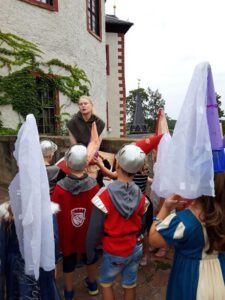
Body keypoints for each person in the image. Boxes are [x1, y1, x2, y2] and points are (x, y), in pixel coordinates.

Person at [149, 172, 225, 300]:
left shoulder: (183, 222)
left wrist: (165, 208)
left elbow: (153, 238)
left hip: (191, 279)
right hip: (220, 274)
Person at [86, 144, 148, 300]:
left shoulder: (104, 196)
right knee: (130, 284)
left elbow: (94, 230)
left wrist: (90, 250)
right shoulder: (141, 195)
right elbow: (143, 222)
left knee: (106, 283)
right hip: (133, 247)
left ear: (118, 164)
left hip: (113, 249)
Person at [52, 144, 100, 300]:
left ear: (67, 163)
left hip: (68, 233)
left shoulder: (59, 188)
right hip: (88, 232)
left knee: (68, 260)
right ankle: (92, 284)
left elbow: (54, 212)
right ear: (86, 163)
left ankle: (68, 291)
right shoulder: (94, 186)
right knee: (90, 257)